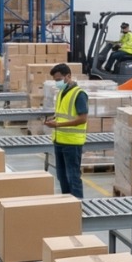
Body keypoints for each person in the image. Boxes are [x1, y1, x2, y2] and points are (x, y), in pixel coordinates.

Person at [42, 63, 87, 199]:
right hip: (59, 140)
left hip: (72, 142)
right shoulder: (61, 92)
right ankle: (67, 204)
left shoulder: (79, 94)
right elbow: (64, 114)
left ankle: (78, 204)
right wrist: (53, 119)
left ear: (68, 76)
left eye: (59, 79)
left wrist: (58, 124)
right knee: (61, 176)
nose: (57, 83)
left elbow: (82, 119)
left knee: (73, 176)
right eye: (55, 80)